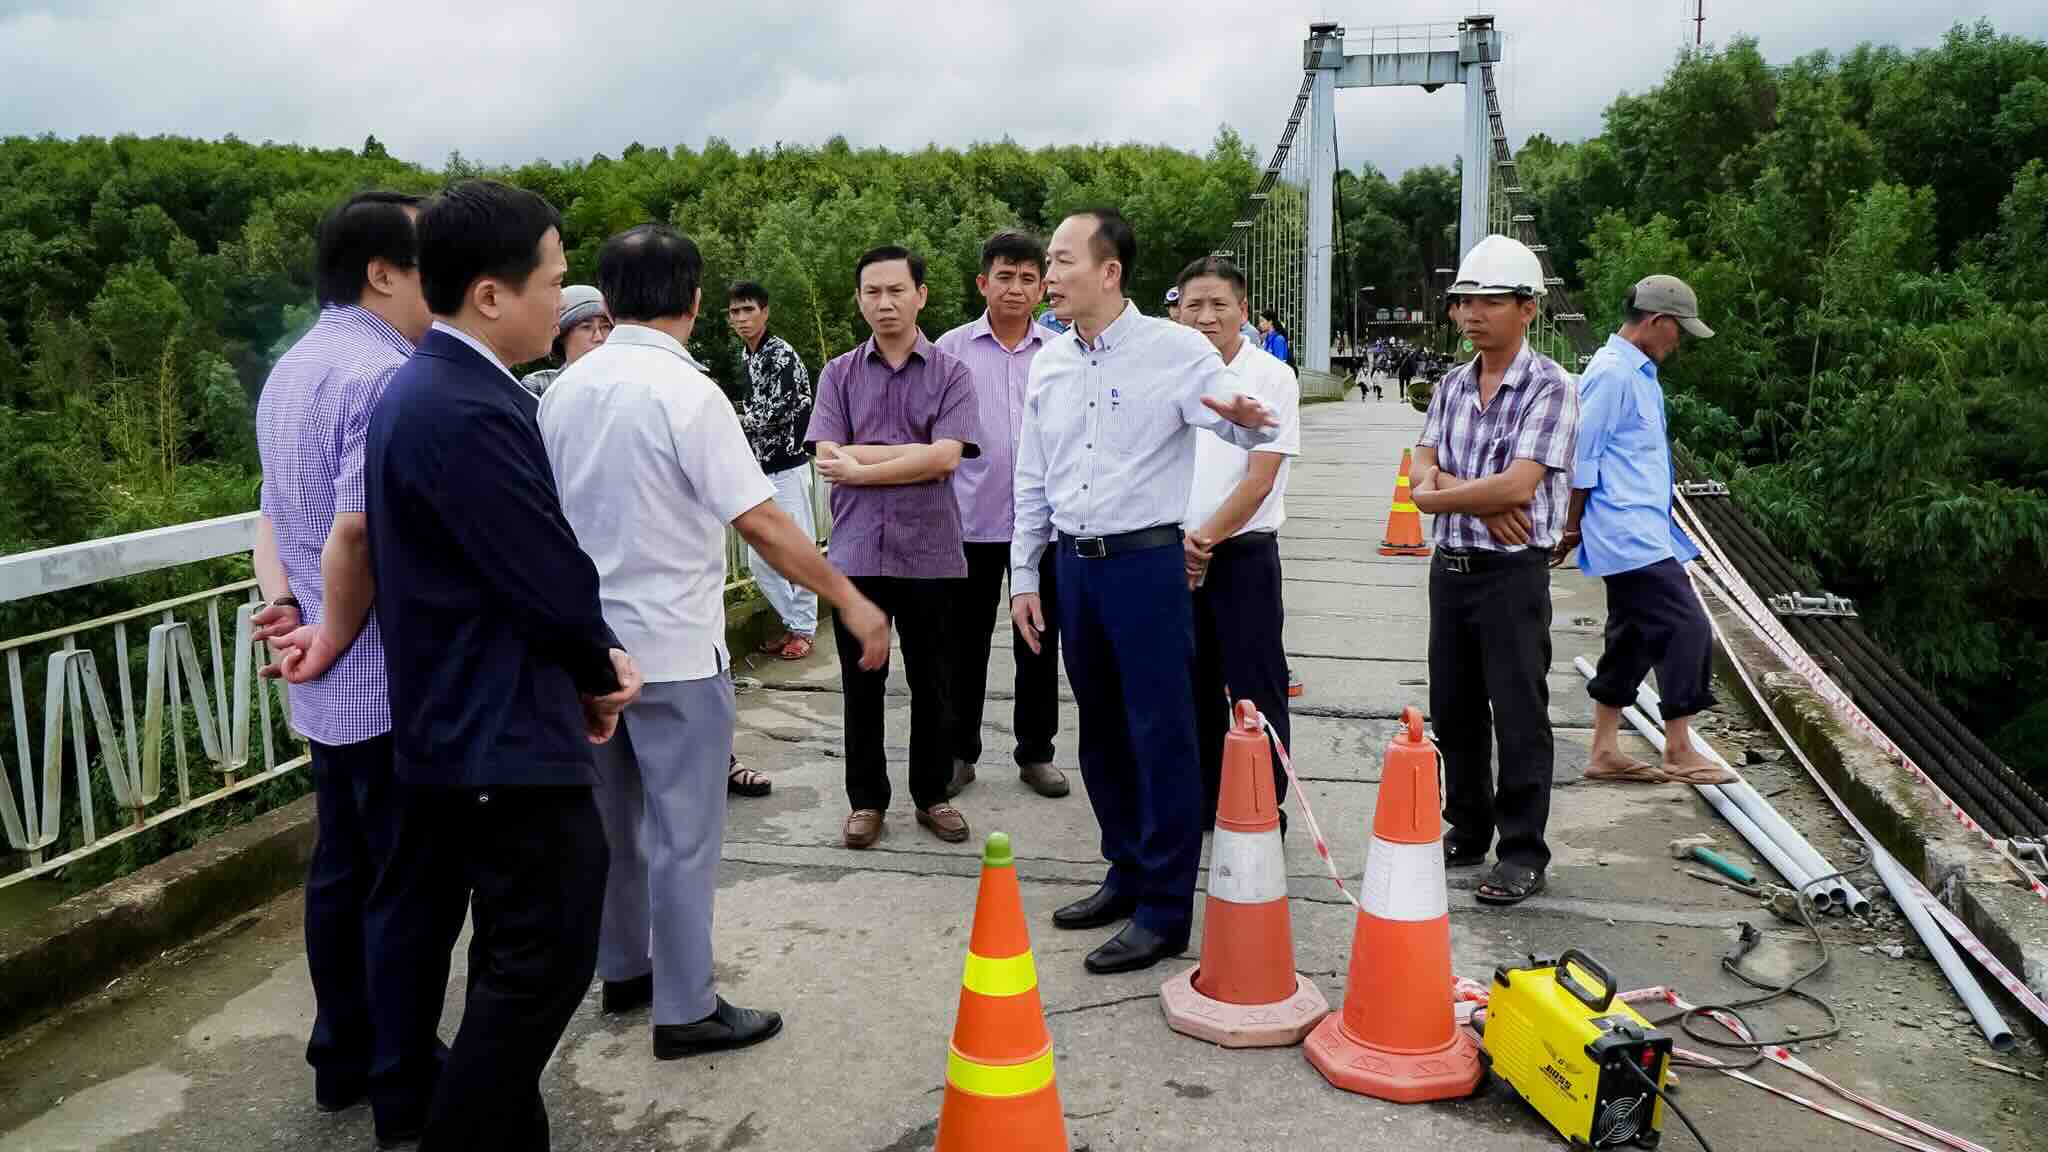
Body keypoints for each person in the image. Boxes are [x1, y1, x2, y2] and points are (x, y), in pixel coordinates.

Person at [540, 225, 891, 1062]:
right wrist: (846, 596)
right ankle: (686, 1007)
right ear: (695, 301)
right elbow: (763, 520)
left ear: (608, 302)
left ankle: (624, 970)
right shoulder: (690, 395)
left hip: (587, 653)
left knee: (614, 828)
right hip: (676, 655)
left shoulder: (560, 394)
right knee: (685, 835)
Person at [363, 179, 642, 1152]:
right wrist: (599, 668)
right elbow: (542, 571)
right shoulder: (464, 405)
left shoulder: (428, 388)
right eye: (552, 283)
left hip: (464, 724)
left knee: (509, 958)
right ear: (490, 293)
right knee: (545, 953)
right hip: (496, 736)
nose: (560, 301)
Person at [1012, 208, 1277, 975]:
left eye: (1061, 261)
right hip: (1075, 566)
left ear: (1109, 271)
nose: (1049, 276)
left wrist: (1243, 419)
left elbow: (1233, 422)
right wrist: (1025, 575)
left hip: (1146, 566)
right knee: (1100, 731)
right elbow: (1032, 474)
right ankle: (1124, 871)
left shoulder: (1177, 351)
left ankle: (1165, 908)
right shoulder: (1051, 362)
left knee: (1160, 731)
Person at [249, 190, 459, 1148]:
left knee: (340, 871)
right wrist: (331, 627)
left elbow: (268, 513)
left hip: (321, 689)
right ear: (383, 273)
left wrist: (289, 609)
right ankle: (401, 1081)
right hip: (375, 675)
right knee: (405, 889)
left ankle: (341, 1055)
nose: (445, 280)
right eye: (429, 263)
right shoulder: (385, 374)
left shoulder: (293, 366)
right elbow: (358, 529)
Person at [1409, 234, 1577, 909]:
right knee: (1453, 708)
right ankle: (1468, 826)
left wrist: (1441, 495)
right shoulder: (1452, 384)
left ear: (1528, 309)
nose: (1472, 314)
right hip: (1451, 571)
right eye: (1464, 303)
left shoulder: (1551, 386)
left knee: (1518, 712)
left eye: (1489, 302)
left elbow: (1519, 487)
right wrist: (1468, 495)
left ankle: (1522, 850)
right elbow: (1422, 465)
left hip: (1512, 576)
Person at [807, 245, 980, 849]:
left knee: (935, 680)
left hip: (930, 552)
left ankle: (932, 794)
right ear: (859, 299)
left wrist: (864, 463)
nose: (884, 303)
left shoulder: (952, 372)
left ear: (921, 295)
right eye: (872, 292)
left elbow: (947, 457)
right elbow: (828, 456)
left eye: (896, 291)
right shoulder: (838, 373)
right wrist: (907, 459)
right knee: (861, 683)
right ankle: (866, 801)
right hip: (856, 554)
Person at [1559, 275, 1735, 787]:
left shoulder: (1638, 373)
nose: (1680, 343)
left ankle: (1604, 749)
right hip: (1626, 531)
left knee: (1632, 637)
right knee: (1688, 628)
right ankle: (1679, 749)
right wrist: (1571, 528)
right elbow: (1581, 456)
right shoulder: (1613, 374)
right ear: (1657, 322)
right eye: (1679, 331)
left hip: (1642, 528)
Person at [936, 231, 1068, 802]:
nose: (1016, 289)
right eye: (1004, 277)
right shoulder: (950, 350)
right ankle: (960, 753)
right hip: (969, 524)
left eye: (1028, 278)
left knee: (1038, 643)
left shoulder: (1062, 353)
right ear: (982, 283)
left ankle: (1036, 753)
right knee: (962, 647)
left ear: (1043, 286)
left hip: (1042, 528)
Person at [1176, 256, 1301, 822]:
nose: (1205, 317)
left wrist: (1202, 541)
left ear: (1243, 311)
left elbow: (1260, 478)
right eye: (1193, 305)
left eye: (1218, 304)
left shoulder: (1271, 375)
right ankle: (1204, 797)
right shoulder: (1170, 373)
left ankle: (1261, 801)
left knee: (1256, 683)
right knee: (1192, 685)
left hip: (1242, 555)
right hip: (1172, 553)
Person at [729, 280, 820, 667]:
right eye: (734, 312)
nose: (741, 318)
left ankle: (804, 629)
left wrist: (729, 420)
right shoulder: (750, 356)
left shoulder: (780, 356)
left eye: (748, 310)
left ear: (765, 312)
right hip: (760, 470)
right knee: (759, 557)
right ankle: (793, 622)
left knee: (797, 550)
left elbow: (773, 414)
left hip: (788, 467)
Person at [519, 284, 611, 398]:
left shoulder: (625, 384)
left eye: (605, 327)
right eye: (586, 327)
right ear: (562, 336)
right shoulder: (540, 386)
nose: (599, 337)